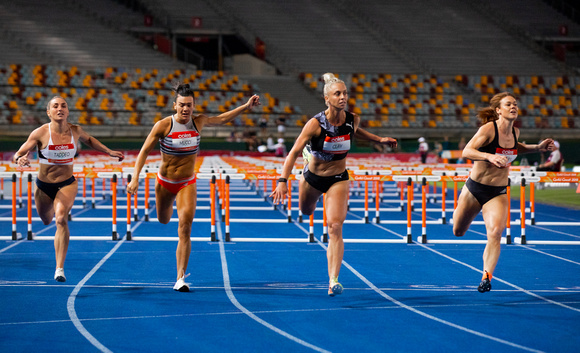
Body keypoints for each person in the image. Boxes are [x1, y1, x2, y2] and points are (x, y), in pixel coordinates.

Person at [270, 73, 397, 296]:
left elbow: (356, 133)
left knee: (335, 226)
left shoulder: (352, 119)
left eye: (345, 93)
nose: (343, 97)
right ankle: (309, 164)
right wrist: (282, 180)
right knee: (306, 210)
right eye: (337, 93)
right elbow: (292, 153)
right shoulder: (314, 124)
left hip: (338, 177)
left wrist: (379, 140)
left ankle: (333, 279)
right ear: (327, 98)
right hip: (313, 177)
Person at [127, 83, 260, 292]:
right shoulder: (163, 125)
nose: (185, 109)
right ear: (174, 105)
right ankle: (168, 206)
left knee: (185, 226)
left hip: (186, 182)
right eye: (181, 105)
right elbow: (143, 151)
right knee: (163, 219)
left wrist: (245, 106)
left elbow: (223, 118)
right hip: (165, 182)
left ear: (194, 105)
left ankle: (180, 277)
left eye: (189, 105)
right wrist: (135, 179)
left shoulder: (199, 122)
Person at [12, 96, 125, 282]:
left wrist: (109, 151)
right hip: (43, 185)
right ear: (49, 112)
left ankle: (59, 268)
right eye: (55, 106)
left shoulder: (75, 130)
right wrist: (19, 159)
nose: (60, 108)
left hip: (67, 183)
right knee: (46, 220)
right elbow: (20, 151)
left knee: (61, 219)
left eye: (63, 105)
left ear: (68, 111)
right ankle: (57, 256)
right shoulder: (40, 132)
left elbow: (90, 140)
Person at [452, 92, 554, 293]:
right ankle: (458, 210)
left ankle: (486, 277)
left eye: (515, 104)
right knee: (458, 231)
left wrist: (537, 147)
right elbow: (467, 151)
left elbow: (516, 148)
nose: (513, 106)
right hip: (475, 188)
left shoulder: (515, 132)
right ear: (498, 110)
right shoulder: (489, 129)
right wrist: (489, 157)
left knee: (496, 233)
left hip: (497, 191)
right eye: (508, 104)